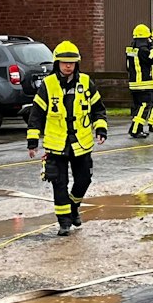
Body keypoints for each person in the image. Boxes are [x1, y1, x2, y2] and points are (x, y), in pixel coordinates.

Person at [25, 40, 107, 237]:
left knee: (84, 180)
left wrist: (101, 129)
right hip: (56, 145)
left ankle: (73, 208)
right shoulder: (48, 85)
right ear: (57, 63)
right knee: (59, 183)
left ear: (77, 63)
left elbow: (98, 110)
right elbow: (36, 115)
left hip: (81, 143)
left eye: (71, 62)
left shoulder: (86, 83)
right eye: (64, 62)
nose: (68, 65)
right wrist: (32, 142)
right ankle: (64, 222)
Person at [125, 24, 153, 139]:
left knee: (138, 107)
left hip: (134, 83)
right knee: (143, 107)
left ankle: (138, 129)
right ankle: (135, 129)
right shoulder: (144, 50)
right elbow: (152, 60)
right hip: (143, 83)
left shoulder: (131, 49)